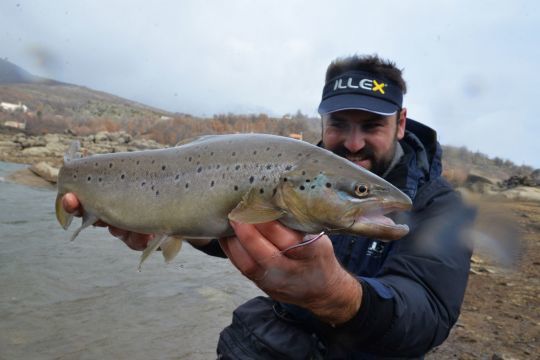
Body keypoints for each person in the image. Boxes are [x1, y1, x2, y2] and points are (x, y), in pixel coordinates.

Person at [62, 54, 475, 359]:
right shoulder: (293, 172)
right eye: (338, 125)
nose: (352, 143)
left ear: (401, 123)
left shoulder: (441, 208)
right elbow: (233, 222)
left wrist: (337, 296)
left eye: (371, 126)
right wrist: (178, 225)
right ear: (321, 122)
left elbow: (428, 316)